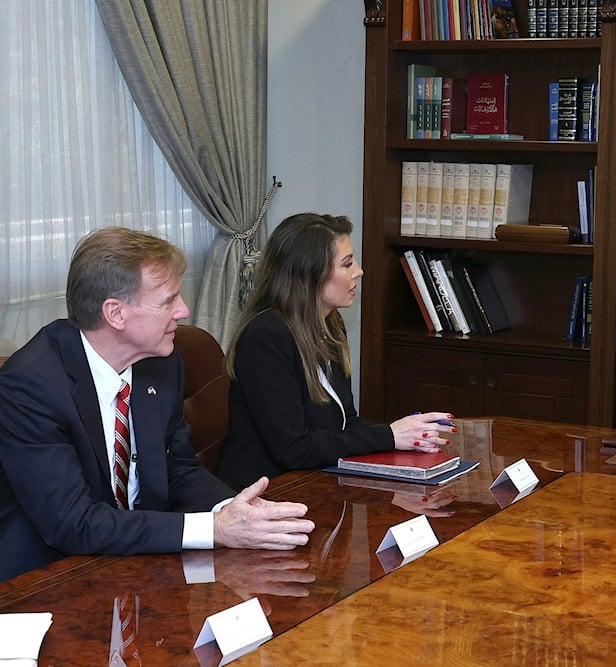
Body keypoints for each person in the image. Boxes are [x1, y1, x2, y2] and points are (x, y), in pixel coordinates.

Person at [0, 227, 315, 583]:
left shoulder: (162, 362)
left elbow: (177, 468)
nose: (184, 310)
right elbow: (73, 523)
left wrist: (234, 511)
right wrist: (213, 529)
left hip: (142, 564)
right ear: (115, 314)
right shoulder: (30, 385)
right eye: (168, 300)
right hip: (48, 578)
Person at [215, 213, 455, 489]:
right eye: (347, 264)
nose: (359, 271)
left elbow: (345, 422)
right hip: (264, 494)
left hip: (313, 481)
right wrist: (389, 436)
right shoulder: (265, 337)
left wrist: (408, 434)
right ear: (310, 273)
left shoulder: (329, 323)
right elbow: (295, 449)